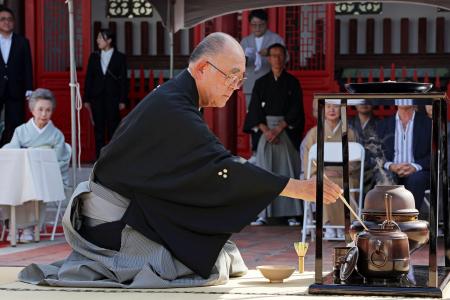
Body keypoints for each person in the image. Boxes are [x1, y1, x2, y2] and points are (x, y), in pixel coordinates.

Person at [18, 32, 342, 288]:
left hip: (134, 207)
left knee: (227, 255)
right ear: (203, 68)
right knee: (206, 267)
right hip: (115, 224)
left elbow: (202, 170)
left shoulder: (176, 98)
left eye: (240, 79)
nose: (235, 87)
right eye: (231, 76)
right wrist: (296, 187)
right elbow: (221, 169)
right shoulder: (174, 107)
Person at [243, 43, 304, 226]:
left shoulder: (292, 82)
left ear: (285, 58)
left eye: (280, 55)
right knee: (264, 171)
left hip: (285, 130)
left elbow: (297, 110)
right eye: (273, 55)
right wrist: (266, 130)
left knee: (288, 171)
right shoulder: (261, 83)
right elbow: (254, 110)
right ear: (268, 59)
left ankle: (292, 213)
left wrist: (279, 128)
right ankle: (263, 214)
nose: (276, 59)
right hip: (265, 132)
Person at [1, 88, 70, 242]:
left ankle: (28, 228)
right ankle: (12, 224)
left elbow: (59, 161)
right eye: (40, 109)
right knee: (10, 184)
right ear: (32, 110)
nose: (44, 114)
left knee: (34, 185)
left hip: (45, 177)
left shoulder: (56, 135)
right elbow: (11, 150)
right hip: (20, 174)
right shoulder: (21, 131)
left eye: (48, 110)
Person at [302, 103, 359, 239]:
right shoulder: (314, 133)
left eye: (336, 107)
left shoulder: (349, 132)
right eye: (328, 107)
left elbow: (355, 161)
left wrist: (342, 172)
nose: (332, 110)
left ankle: (344, 225)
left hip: (345, 174)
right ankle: (328, 225)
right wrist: (322, 172)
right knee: (322, 182)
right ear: (322, 111)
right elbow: (308, 161)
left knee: (344, 182)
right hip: (321, 174)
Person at [240, 9, 286, 156]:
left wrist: (270, 53)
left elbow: (287, 58)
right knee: (254, 118)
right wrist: (244, 59)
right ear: (249, 25)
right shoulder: (245, 41)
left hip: (271, 84)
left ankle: (276, 148)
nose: (257, 28)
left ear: (266, 24)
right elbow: (238, 64)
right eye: (254, 25)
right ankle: (255, 150)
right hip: (251, 85)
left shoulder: (275, 39)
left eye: (260, 25)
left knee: (272, 115)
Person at [376, 102, 431, 211]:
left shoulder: (428, 123)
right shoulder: (383, 124)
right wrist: (391, 166)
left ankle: (409, 220)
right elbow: (375, 153)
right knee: (385, 176)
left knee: (416, 179)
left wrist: (415, 167)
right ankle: (387, 222)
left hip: (418, 171)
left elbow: (435, 154)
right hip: (391, 170)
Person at [84, 29, 128, 158]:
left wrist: (122, 100)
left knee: (113, 127)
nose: (97, 41)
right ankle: (99, 158)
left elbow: (124, 80)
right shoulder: (94, 56)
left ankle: (113, 157)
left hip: (113, 97)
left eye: (100, 38)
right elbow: (89, 78)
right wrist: (86, 98)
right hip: (97, 97)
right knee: (99, 128)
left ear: (109, 40)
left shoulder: (119, 57)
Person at [0, 6, 33, 146]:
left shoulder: (22, 42)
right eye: (2, 19)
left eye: (9, 19)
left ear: (14, 22)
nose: (6, 22)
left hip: (16, 89)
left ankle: (12, 152)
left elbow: (27, 66)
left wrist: (29, 88)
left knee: (15, 123)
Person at [348, 105, 379, 194]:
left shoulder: (381, 123)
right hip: (352, 167)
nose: (363, 104)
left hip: (372, 167)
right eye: (360, 100)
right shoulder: (348, 124)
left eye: (366, 100)